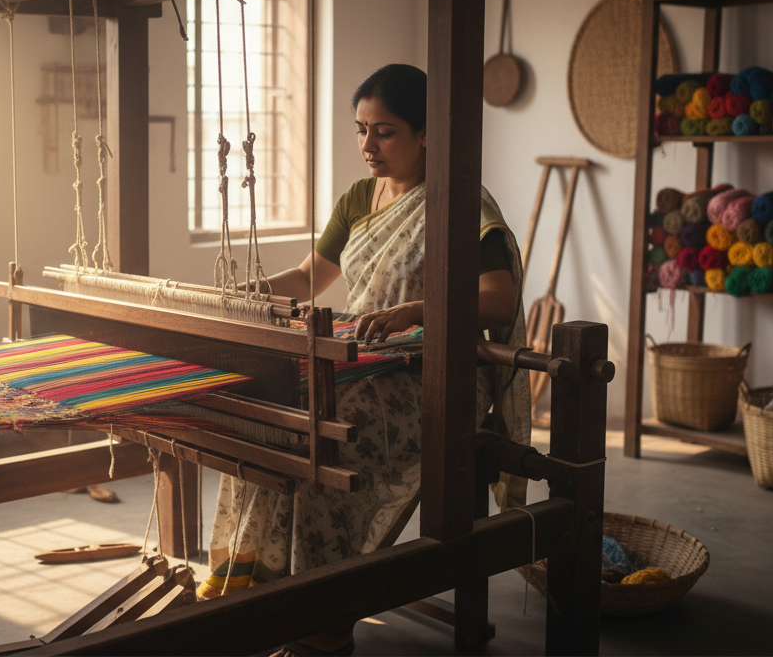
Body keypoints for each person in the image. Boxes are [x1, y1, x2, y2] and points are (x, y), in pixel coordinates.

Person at [195, 64, 532, 656]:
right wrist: (248, 291)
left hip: (433, 372)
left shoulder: (460, 202)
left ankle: (325, 609)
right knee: (271, 406)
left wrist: (417, 312)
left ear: (427, 133)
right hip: (362, 355)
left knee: (326, 429)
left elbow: (499, 301)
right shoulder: (359, 198)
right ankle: (263, 586)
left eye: (386, 132)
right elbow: (307, 276)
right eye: (361, 130)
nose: (367, 146)